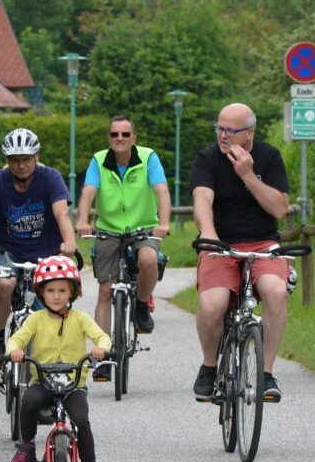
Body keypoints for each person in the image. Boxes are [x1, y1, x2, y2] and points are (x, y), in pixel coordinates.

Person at [190, 102, 292, 403]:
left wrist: (248, 175)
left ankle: (266, 374)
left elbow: (279, 208)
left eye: (230, 130)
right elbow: (202, 199)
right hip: (219, 244)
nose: (222, 135)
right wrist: (208, 233)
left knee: (275, 291)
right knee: (212, 305)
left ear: (249, 133)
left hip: (262, 242)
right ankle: (209, 366)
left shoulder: (269, 158)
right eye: (219, 128)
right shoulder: (207, 158)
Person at [6, 255, 112, 462]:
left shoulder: (80, 318)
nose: (56, 296)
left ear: (72, 292)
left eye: (62, 290)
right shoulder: (35, 319)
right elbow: (17, 338)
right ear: (41, 292)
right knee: (29, 401)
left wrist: (100, 348)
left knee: (82, 420)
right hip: (43, 381)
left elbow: (101, 335)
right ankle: (27, 447)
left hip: (74, 384)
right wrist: (14, 350)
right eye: (51, 290)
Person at [75, 116, 170, 380]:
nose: (120, 139)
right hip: (108, 229)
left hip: (143, 227)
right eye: (115, 134)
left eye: (125, 134)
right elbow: (88, 192)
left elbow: (161, 190)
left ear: (134, 138)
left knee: (149, 260)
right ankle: (102, 355)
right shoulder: (98, 160)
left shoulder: (148, 158)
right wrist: (83, 220)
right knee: (105, 291)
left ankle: (141, 305)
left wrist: (163, 223)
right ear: (109, 138)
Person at [0, 128, 77, 365]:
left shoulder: (51, 177)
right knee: (5, 283)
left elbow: (61, 212)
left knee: (53, 305)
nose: (20, 166)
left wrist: (69, 243)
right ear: (7, 161)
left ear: (36, 157)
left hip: (45, 253)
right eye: (14, 160)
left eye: (25, 160)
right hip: (5, 252)